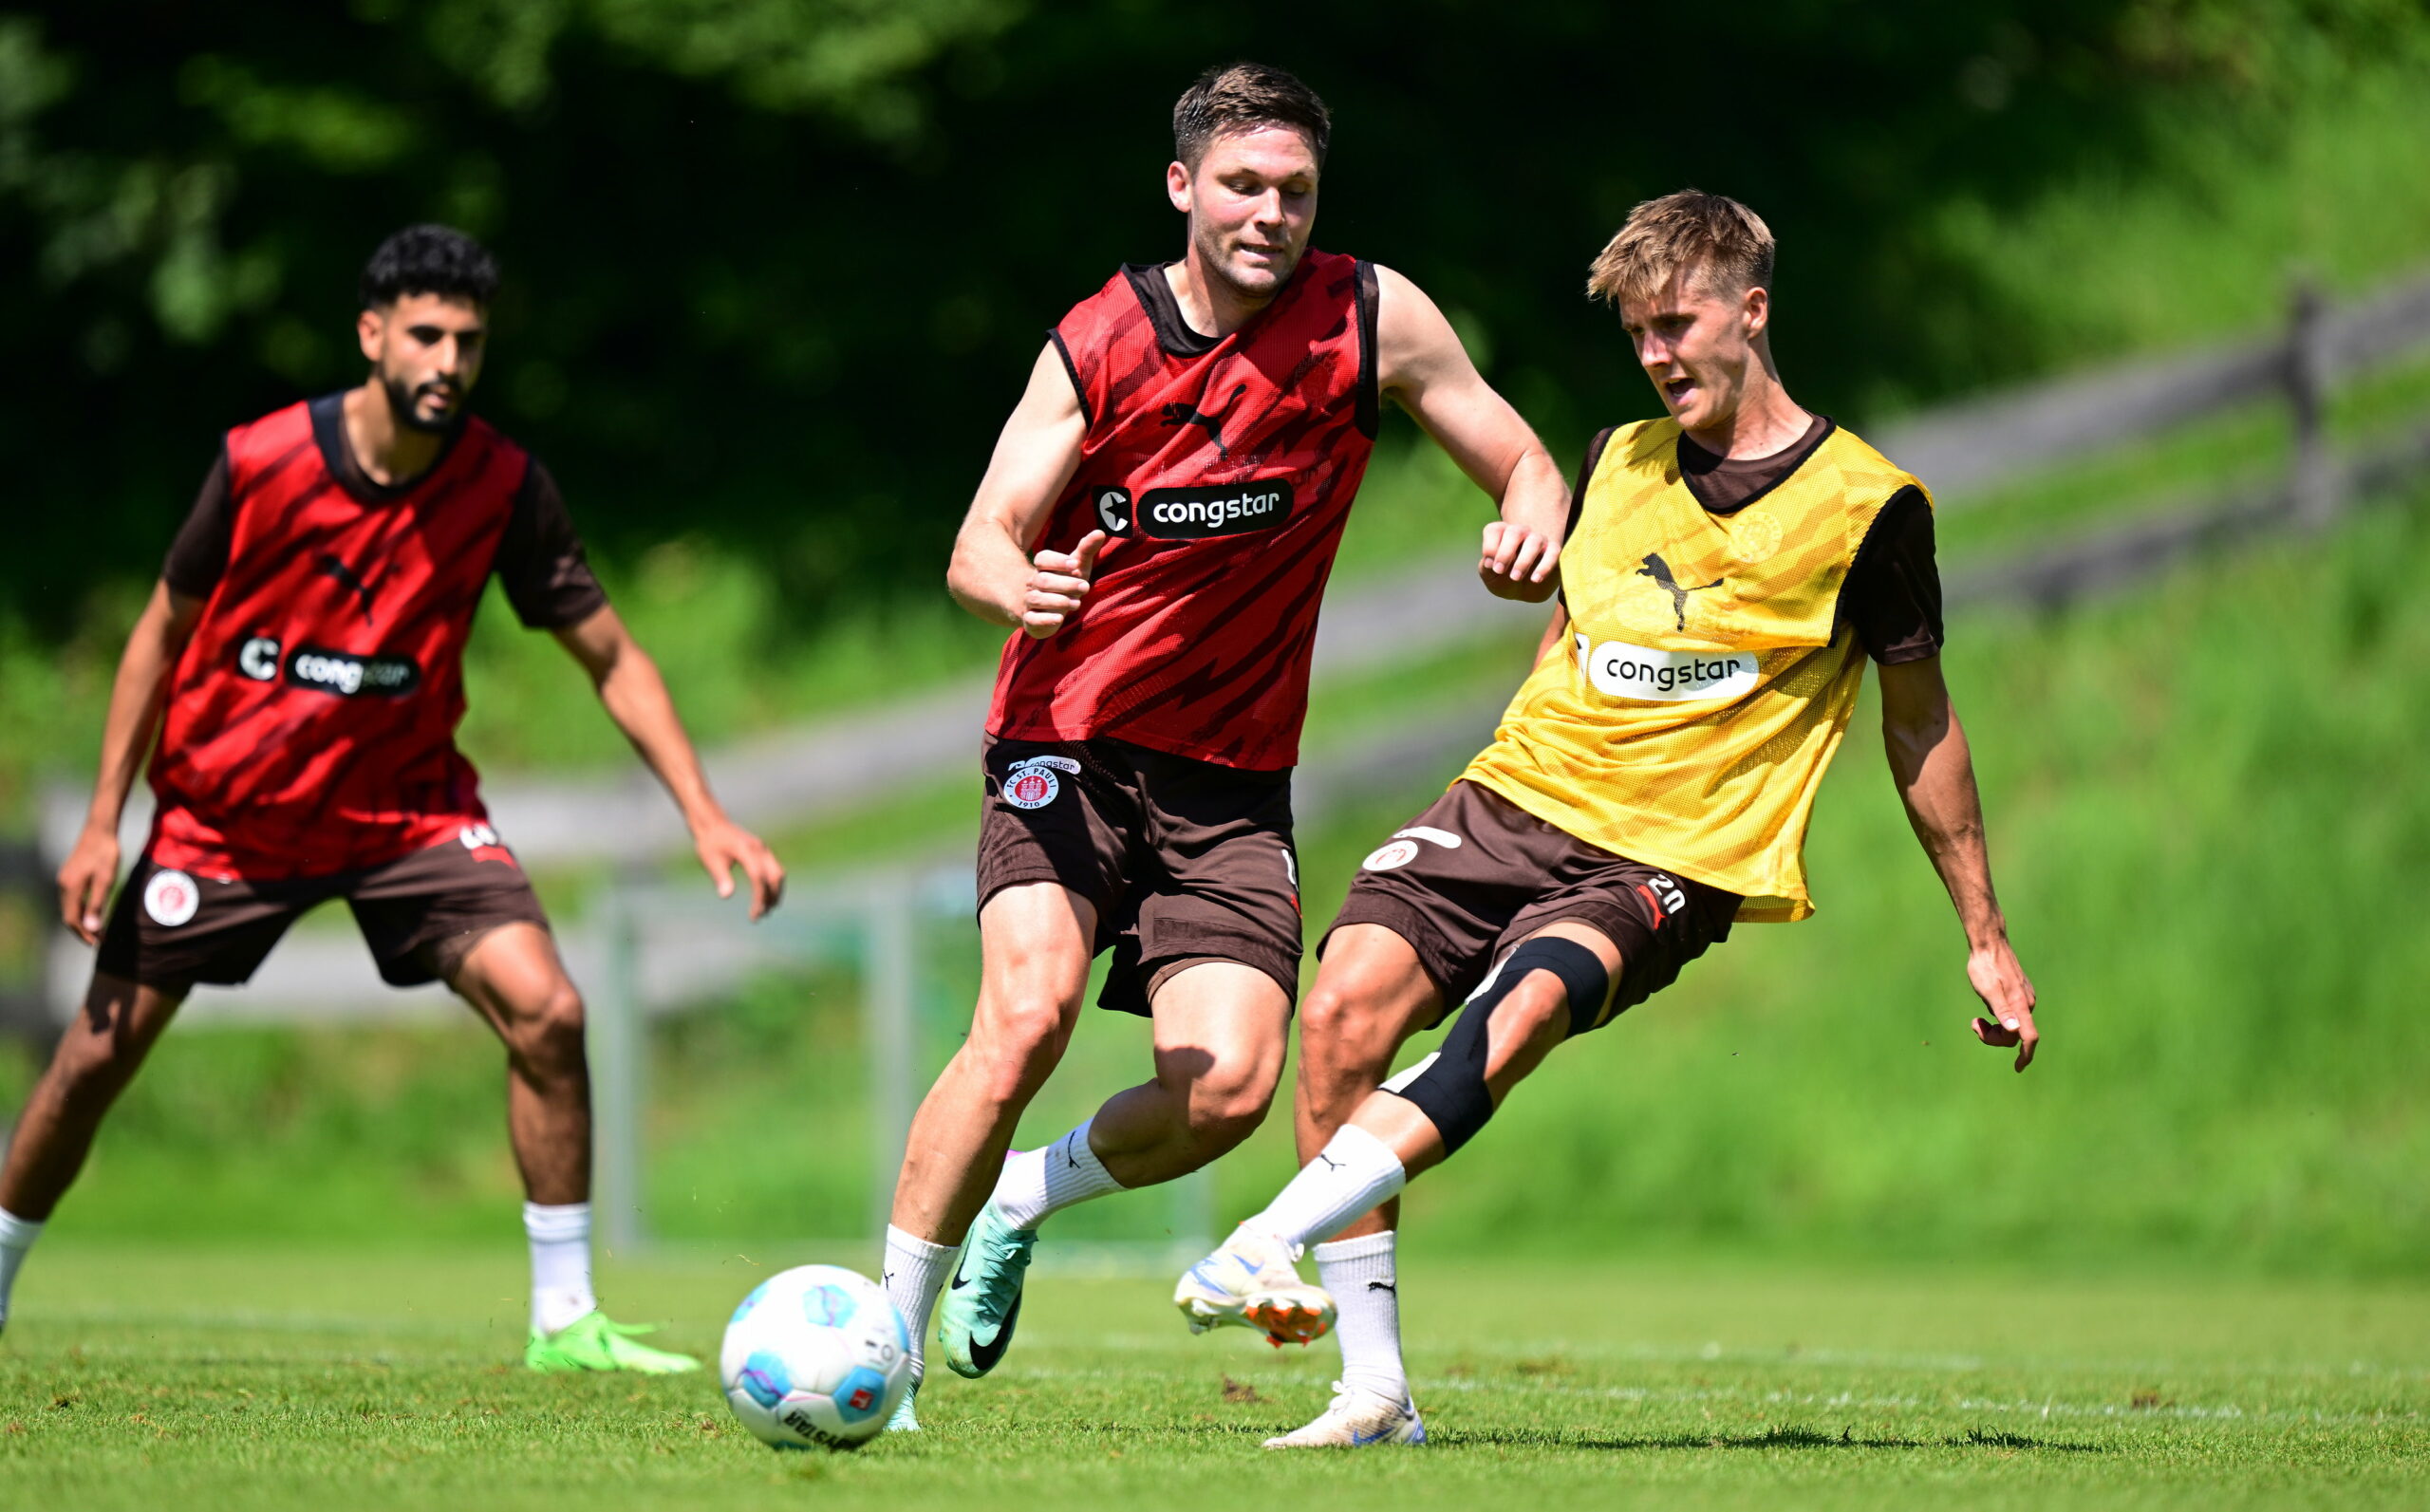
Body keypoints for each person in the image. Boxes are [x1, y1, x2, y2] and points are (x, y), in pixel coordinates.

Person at [1173, 190, 2042, 1448]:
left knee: (1515, 1012)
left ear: (1753, 308)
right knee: (1346, 1002)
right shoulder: (1615, 459)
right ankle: (1371, 1393)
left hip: (1675, 851)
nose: (1657, 355)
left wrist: (1985, 930)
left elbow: (1919, 722)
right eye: (1637, 332)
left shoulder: (1870, 507)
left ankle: (1271, 1234)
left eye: (1678, 323)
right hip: (1518, 797)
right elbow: (1569, 643)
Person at [877, 63, 1571, 1429]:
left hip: (1232, 785)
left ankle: (1028, 1188)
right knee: (1023, 1019)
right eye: (1244, 185)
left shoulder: (1373, 317)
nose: (1271, 213)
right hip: (1064, 741)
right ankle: (885, 1342)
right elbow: (978, 538)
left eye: (1295, 190)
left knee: (1234, 1089)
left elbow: (1526, 458)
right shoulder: (1102, 338)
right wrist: (1011, 585)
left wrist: (1534, 514)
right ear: (1185, 185)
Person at [0, 225, 785, 1372]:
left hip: (407, 817)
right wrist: (98, 824)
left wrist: (704, 814)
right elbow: (158, 635)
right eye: (425, 335)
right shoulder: (262, 461)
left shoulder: (503, 485)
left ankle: (565, 1324)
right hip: (230, 817)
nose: (448, 361)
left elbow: (611, 656)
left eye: (467, 341)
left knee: (552, 1014)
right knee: (90, 1062)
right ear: (372, 337)